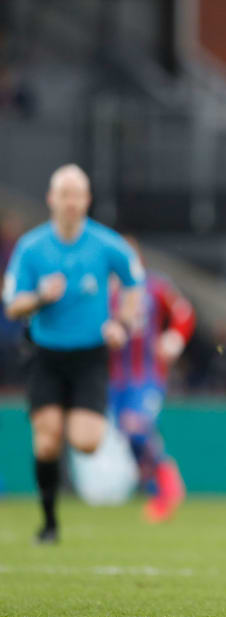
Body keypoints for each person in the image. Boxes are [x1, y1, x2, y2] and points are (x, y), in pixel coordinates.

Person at [2, 164, 144, 543]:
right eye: (64, 194)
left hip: (89, 357)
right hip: (46, 354)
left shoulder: (107, 244)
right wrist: (40, 297)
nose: (70, 202)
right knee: (46, 440)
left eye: (77, 194)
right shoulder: (32, 247)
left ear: (87, 200)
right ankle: (49, 523)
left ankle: (65, 412)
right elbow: (12, 305)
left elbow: (134, 284)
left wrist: (123, 324)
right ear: (51, 199)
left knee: (86, 442)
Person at [108, 237, 195, 522]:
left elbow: (184, 313)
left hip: (147, 376)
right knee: (129, 434)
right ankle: (154, 490)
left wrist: (174, 338)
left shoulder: (155, 286)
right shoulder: (104, 291)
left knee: (136, 427)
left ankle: (168, 485)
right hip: (114, 379)